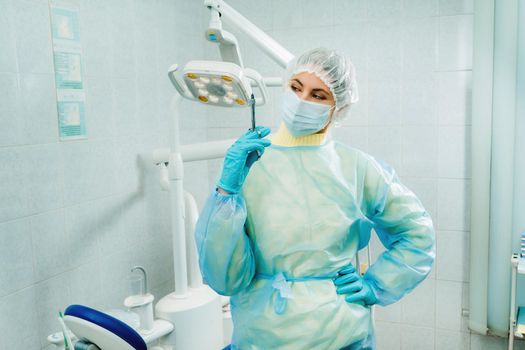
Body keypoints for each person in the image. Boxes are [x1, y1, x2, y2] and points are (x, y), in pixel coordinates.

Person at [194, 48, 435, 350]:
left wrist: (375, 285)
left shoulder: (357, 168)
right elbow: (223, 278)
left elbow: (417, 234)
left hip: (339, 334)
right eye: (296, 88)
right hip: (262, 335)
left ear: (339, 107)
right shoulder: (249, 165)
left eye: (318, 95)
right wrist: (226, 192)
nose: (301, 101)